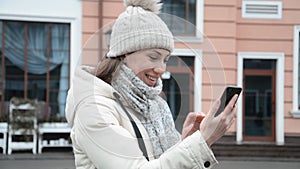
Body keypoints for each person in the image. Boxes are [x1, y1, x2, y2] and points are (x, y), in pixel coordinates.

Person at [65, 0, 238, 168]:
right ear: (124, 54)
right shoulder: (94, 109)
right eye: (154, 57)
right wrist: (202, 141)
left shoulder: (154, 104)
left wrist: (185, 142)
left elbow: (159, 162)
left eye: (166, 60)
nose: (162, 69)